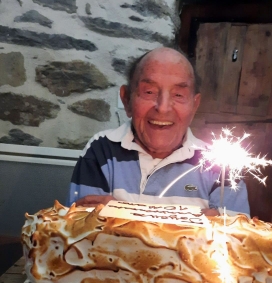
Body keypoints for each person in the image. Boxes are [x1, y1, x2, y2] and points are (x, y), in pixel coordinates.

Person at [67, 47, 250, 217]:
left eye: (178, 95)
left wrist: (120, 214)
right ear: (127, 100)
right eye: (149, 92)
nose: (162, 108)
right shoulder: (101, 150)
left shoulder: (222, 167)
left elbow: (235, 242)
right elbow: (81, 237)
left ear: (194, 106)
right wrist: (195, 222)